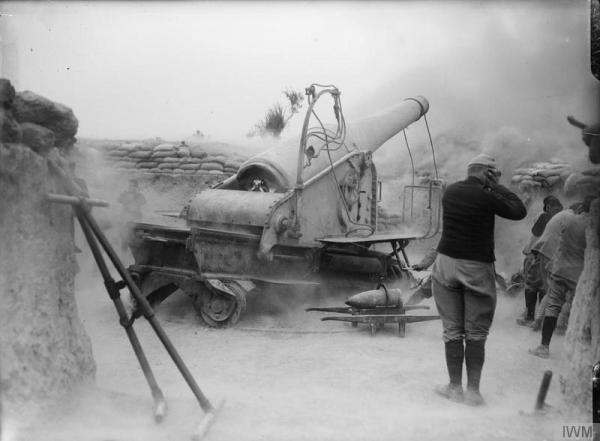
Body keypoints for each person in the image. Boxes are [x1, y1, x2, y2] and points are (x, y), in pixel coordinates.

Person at [432, 153, 526, 406]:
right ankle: (473, 392)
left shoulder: (450, 191)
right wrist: (495, 185)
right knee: (476, 332)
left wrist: (487, 183)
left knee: (451, 329)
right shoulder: (488, 194)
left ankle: (454, 387)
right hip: (475, 266)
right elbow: (519, 211)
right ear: (488, 173)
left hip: (445, 263)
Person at [528, 196, 593, 359]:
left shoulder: (569, 220)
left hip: (560, 269)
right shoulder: (592, 226)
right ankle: (576, 352)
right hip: (578, 274)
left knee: (553, 305)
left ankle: (544, 347)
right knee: (578, 309)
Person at [516, 196, 563, 327]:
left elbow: (535, 233)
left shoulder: (545, 217)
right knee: (544, 286)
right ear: (549, 207)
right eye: (557, 208)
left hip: (539, 255)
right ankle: (538, 318)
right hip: (551, 257)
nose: (559, 210)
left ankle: (531, 317)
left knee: (532, 285)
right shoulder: (555, 217)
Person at [117, 179, 146, 251]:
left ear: (136, 187)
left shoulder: (139, 195)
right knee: (124, 238)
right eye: (130, 186)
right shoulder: (124, 194)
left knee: (136, 238)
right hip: (125, 219)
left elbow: (142, 202)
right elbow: (119, 200)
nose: (131, 187)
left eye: (133, 186)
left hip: (136, 219)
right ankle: (123, 255)